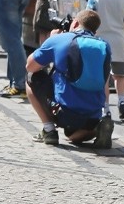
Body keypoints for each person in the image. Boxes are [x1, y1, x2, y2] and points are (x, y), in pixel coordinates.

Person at [27, 10, 113, 148]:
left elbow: (30, 66)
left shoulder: (60, 39)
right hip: (93, 115)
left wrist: (50, 40)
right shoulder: (104, 45)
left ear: (76, 23)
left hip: (64, 113)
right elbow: (105, 82)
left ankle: (49, 130)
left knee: (31, 77)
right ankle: (97, 128)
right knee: (72, 137)